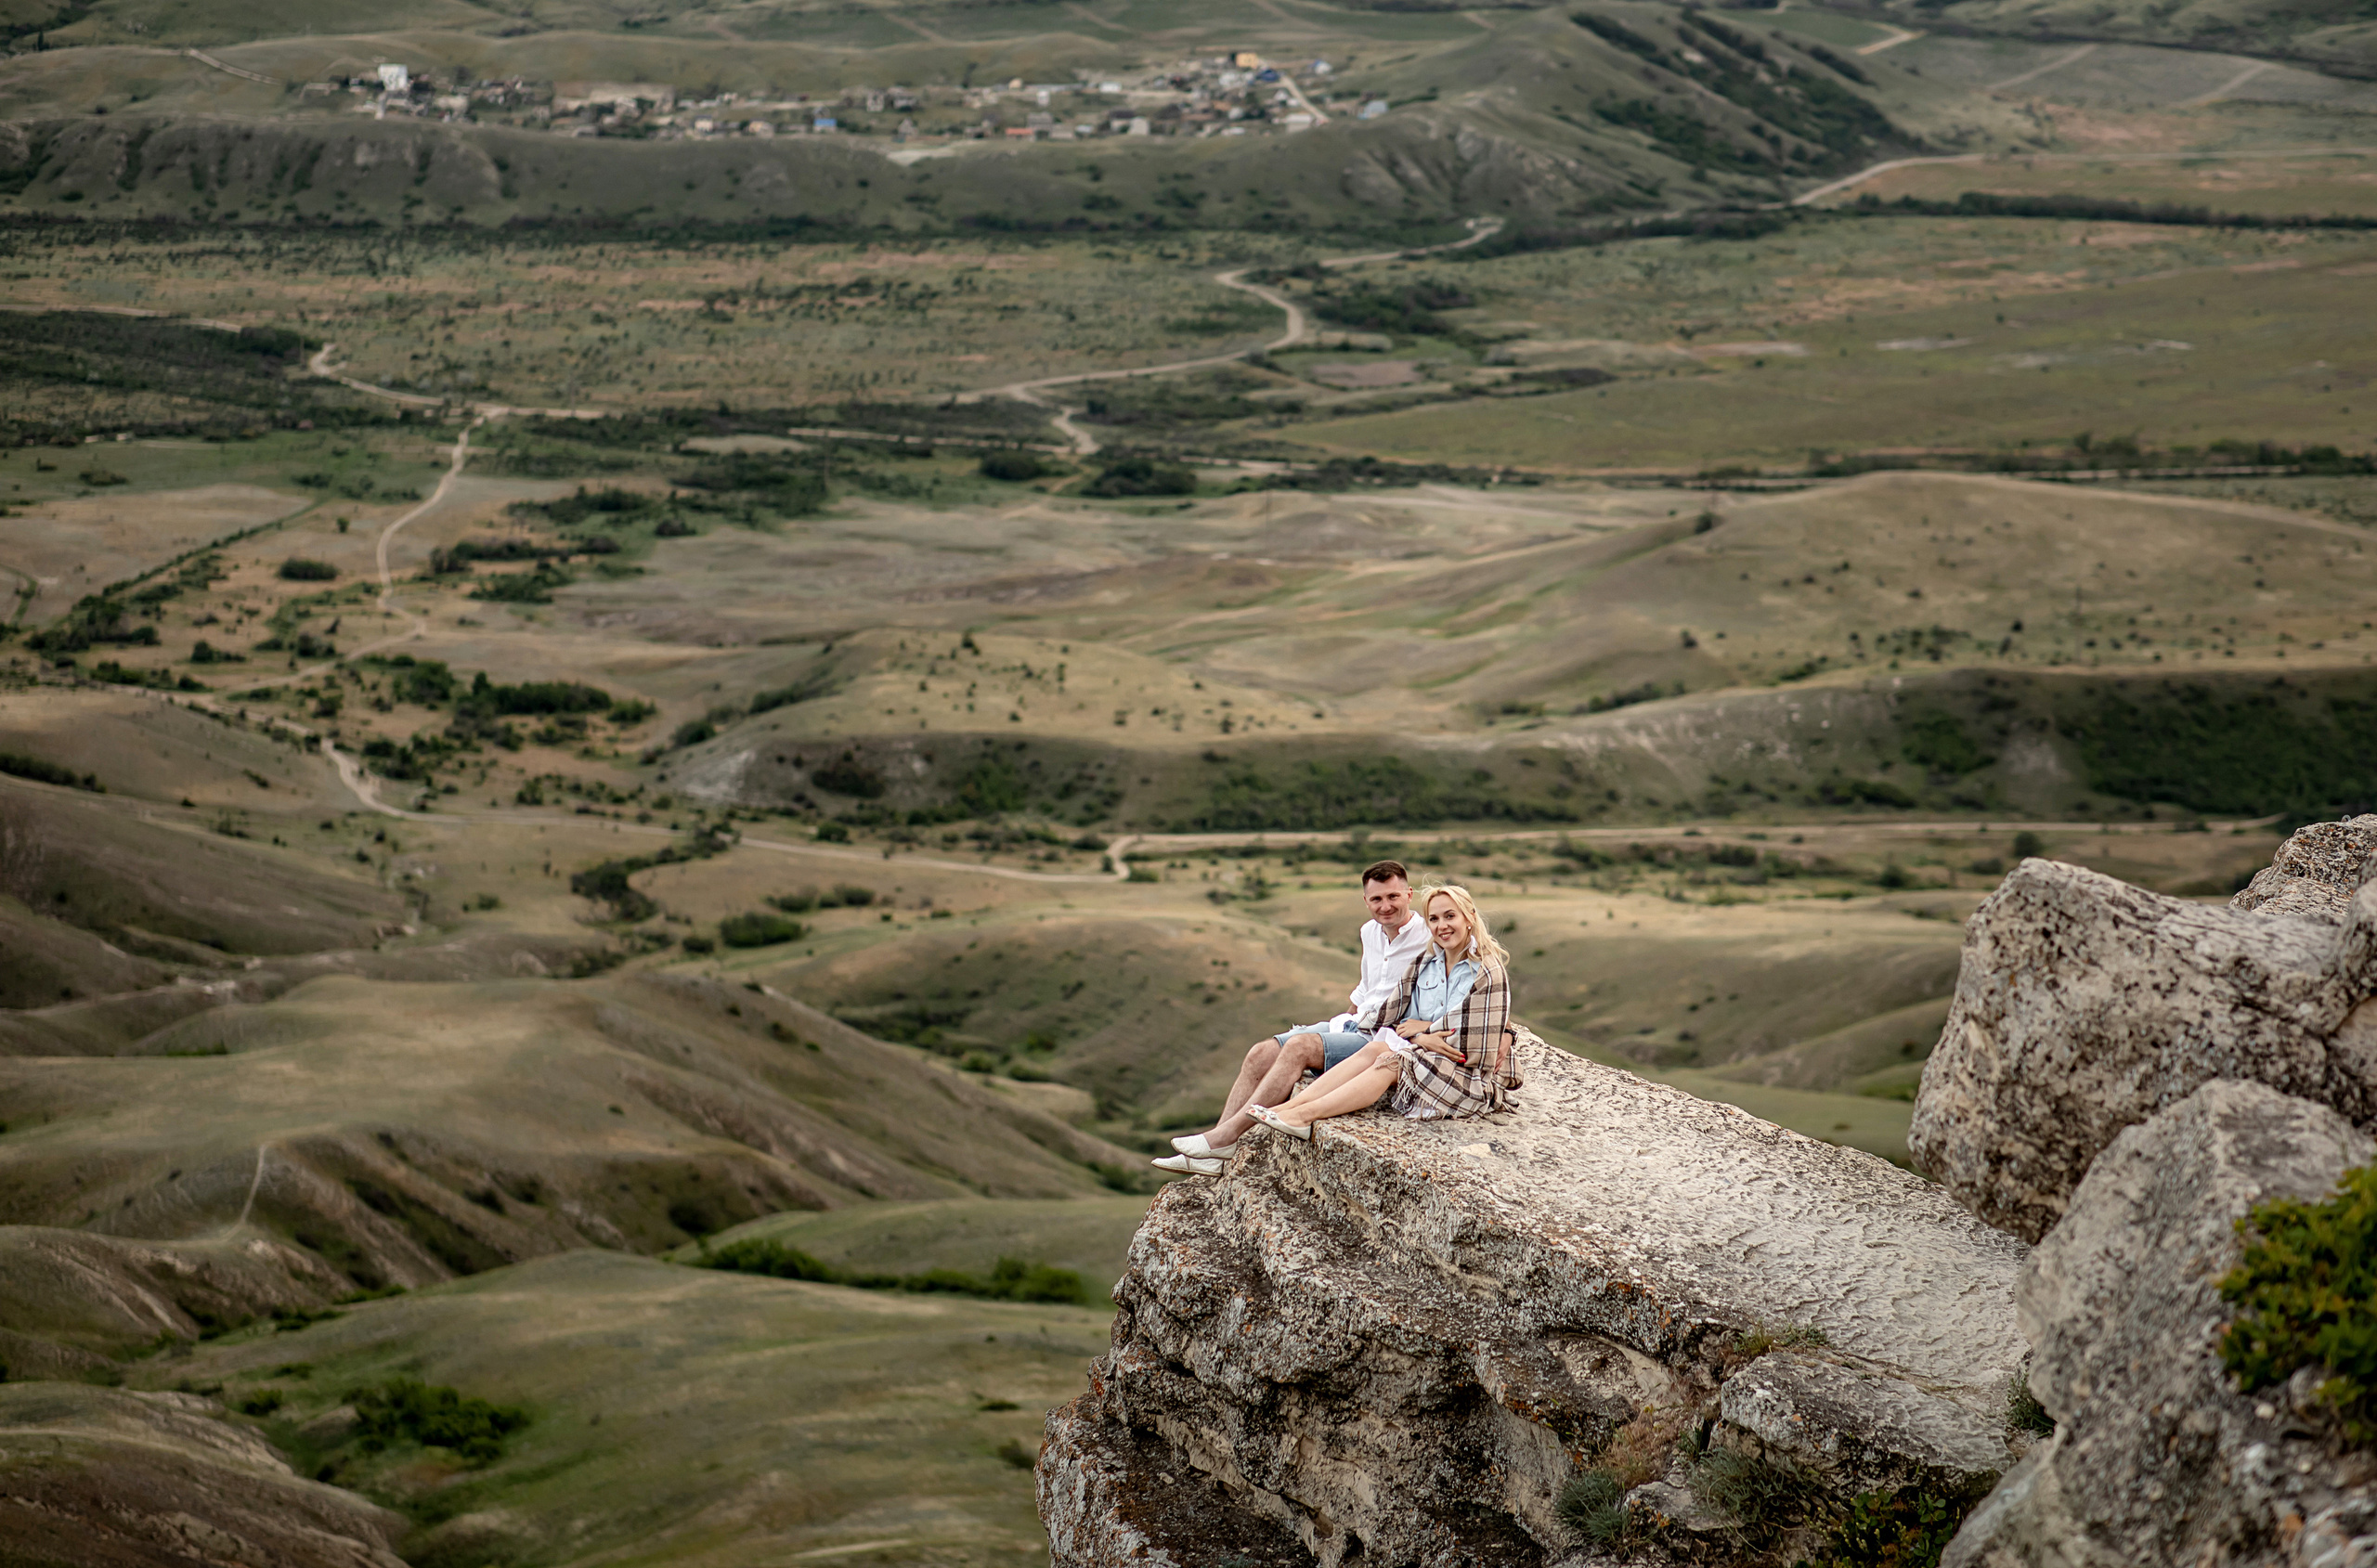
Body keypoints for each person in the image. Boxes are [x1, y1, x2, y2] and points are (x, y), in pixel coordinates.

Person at [1151, 859, 1431, 1177]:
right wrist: (1339, 1023)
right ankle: (1217, 1153)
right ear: (1365, 901)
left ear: (1409, 894)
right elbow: (1367, 986)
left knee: (1299, 1048)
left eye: (1393, 897)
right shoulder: (1370, 931)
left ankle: (1224, 1137)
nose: (1386, 906)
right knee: (1260, 1053)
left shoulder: (1428, 935)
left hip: (1382, 1037)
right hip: (1353, 1024)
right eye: (1377, 899)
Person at [1246, 883, 1516, 1137]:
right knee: (1376, 1048)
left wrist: (1421, 1032)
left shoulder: (1486, 971)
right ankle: (1291, 1107)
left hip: (1466, 1075)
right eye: (1433, 919)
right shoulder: (1426, 963)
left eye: (1450, 916)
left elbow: (1464, 1037)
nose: (1442, 926)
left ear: (1469, 918)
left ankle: (1305, 1116)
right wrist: (1421, 1034)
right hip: (1426, 1054)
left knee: (1392, 1061)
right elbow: (1402, 1019)